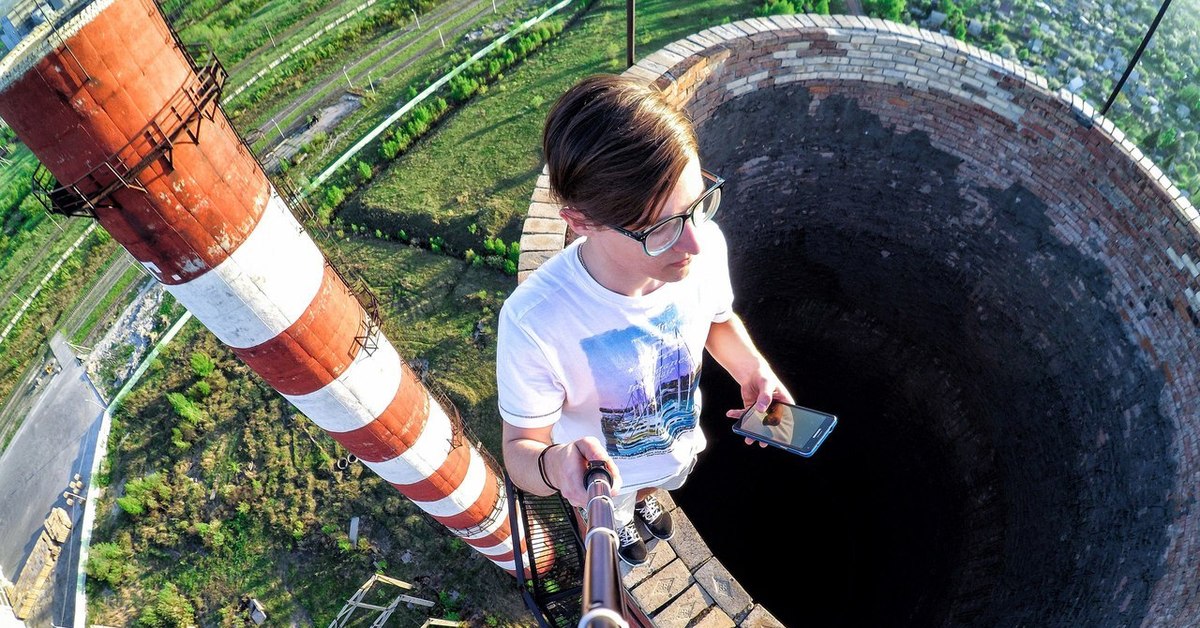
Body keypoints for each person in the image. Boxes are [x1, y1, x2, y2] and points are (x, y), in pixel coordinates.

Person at [497, 74, 793, 566]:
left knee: (667, 475)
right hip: (604, 474)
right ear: (581, 221)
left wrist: (752, 369)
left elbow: (717, 320)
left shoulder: (702, 243)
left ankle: (648, 495)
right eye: (660, 229)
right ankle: (625, 513)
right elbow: (520, 446)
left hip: (675, 438)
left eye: (697, 205)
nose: (694, 244)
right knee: (618, 503)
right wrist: (553, 466)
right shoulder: (535, 321)